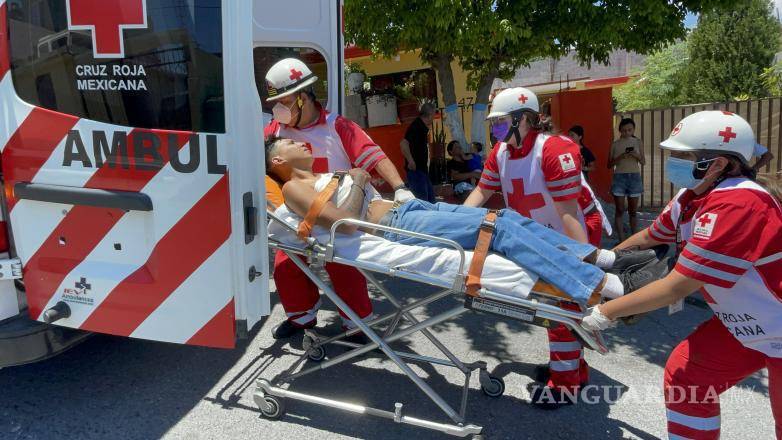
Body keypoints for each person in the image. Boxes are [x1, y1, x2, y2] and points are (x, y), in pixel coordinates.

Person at [264, 136, 667, 306]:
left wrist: (359, 180)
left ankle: (603, 260)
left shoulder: (320, 176)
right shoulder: (295, 191)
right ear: (278, 161)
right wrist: (354, 178)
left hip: (411, 210)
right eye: (290, 144)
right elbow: (346, 223)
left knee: (504, 217)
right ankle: (608, 287)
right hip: (398, 227)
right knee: (501, 229)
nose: (301, 142)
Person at [582, 111, 782, 439]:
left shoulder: (739, 204)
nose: (675, 161)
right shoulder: (692, 197)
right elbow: (652, 236)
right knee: (687, 376)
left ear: (717, 164)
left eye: (685, 156)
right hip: (749, 324)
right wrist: (607, 258)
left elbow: (677, 287)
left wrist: (603, 314)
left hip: (776, 325)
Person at [464, 87, 607, 408]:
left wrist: (582, 263)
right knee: (552, 305)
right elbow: (481, 193)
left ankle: (565, 385)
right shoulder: (500, 153)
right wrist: (454, 223)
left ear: (524, 120)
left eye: (501, 124)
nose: (495, 131)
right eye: (494, 124)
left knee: (561, 306)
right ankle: (573, 368)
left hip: (575, 230)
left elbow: (569, 213)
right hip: (540, 234)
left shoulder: (554, 150)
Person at [263, 58, 415, 340]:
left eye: (283, 101)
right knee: (285, 265)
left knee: (344, 265)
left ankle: (357, 323)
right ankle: (301, 317)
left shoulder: (338, 126)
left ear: (303, 98)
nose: (278, 109)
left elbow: (373, 156)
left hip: (338, 213)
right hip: (301, 214)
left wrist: (400, 187)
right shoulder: (275, 132)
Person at [608, 118, 645, 241]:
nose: (626, 133)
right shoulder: (615, 144)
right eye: (624, 131)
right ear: (620, 131)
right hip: (619, 178)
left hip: (634, 177)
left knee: (633, 211)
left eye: (629, 130)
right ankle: (622, 240)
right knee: (619, 209)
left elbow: (643, 162)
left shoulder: (638, 142)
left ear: (633, 129)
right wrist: (621, 156)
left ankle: (634, 239)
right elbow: (609, 164)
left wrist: (636, 155)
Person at [400, 104, 437, 203]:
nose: (434, 117)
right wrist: (410, 161)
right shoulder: (417, 126)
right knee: (423, 202)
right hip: (416, 171)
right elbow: (403, 143)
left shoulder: (421, 127)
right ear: (429, 115)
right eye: (433, 114)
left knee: (430, 201)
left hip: (422, 171)